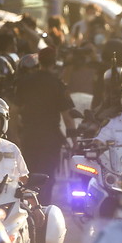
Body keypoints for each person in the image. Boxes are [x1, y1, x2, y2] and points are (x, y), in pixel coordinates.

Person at [13, 53, 76, 205]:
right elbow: (68, 117)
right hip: (50, 138)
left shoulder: (25, 82)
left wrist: (15, 135)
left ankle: (27, 208)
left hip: (29, 136)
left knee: (28, 174)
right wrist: (75, 141)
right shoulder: (57, 84)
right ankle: (42, 208)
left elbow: (13, 111)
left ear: (39, 62)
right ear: (54, 63)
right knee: (47, 176)